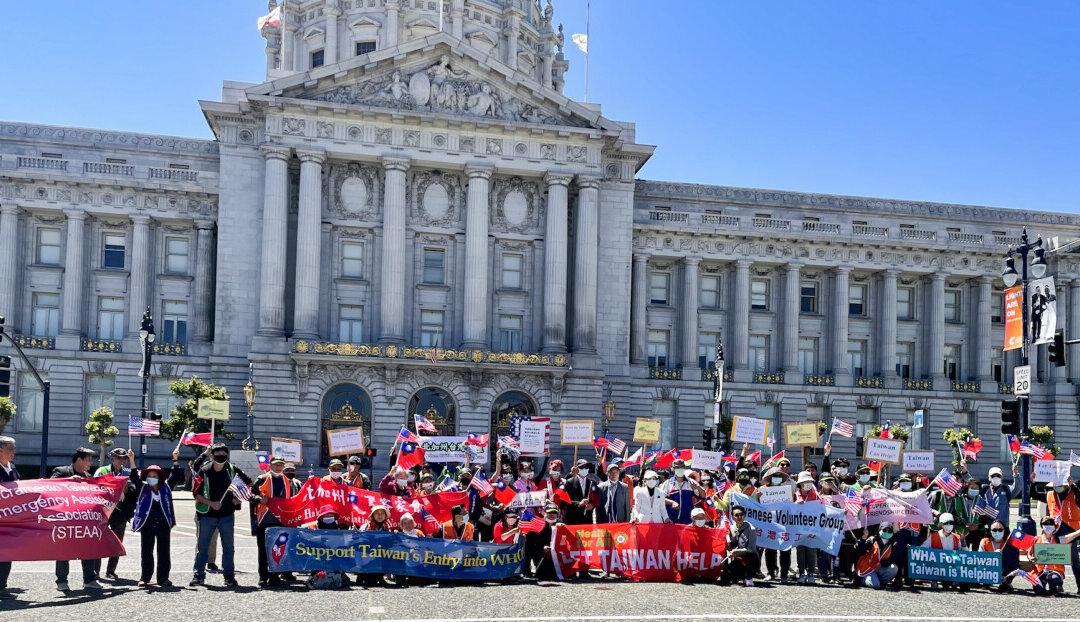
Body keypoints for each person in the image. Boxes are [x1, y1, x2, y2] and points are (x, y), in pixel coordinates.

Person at [190, 443, 255, 588]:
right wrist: (210, 503)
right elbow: (195, 493)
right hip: (207, 515)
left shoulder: (233, 470)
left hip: (227, 515)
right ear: (212, 455)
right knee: (202, 547)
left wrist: (239, 498)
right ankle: (198, 576)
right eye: (217, 454)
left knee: (228, 548)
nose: (221, 456)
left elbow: (250, 484)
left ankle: (229, 577)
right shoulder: (204, 471)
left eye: (223, 454)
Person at [129, 449, 186, 588]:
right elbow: (134, 478)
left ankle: (163, 578)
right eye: (149, 475)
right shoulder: (143, 488)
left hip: (163, 524)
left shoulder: (165, 487)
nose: (152, 477)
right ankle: (145, 578)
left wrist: (175, 460)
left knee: (164, 552)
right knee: (146, 552)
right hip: (147, 524)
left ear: (159, 477)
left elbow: (175, 475)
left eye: (154, 475)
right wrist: (132, 459)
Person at [51, 447, 100, 591]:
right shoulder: (61, 471)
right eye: (88, 460)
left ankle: (89, 580)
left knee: (88, 550)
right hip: (65, 520)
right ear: (79, 460)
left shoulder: (88, 476)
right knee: (63, 551)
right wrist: (69, 480)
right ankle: (61, 581)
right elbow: (50, 487)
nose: (90, 463)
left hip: (84, 521)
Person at [251, 456, 300, 587]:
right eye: (276, 465)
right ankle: (263, 576)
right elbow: (250, 494)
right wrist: (259, 498)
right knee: (263, 550)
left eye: (280, 465)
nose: (278, 467)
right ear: (270, 465)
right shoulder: (262, 479)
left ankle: (274, 576)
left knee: (278, 549)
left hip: (281, 521)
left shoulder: (288, 482)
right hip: (265, 519)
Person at [93, 447, 137, 581]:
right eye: (118, 457)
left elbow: (137, 486)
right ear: (112, 458)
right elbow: (95, 488)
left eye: (123, 458)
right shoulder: (102, 471)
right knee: (99, 541)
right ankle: (95, 572)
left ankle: (111, 571)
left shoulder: (128, 472)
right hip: (104, 511)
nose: (121, 460)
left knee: (117, 542)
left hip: (121, 512)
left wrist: (129, 489)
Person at [1042, 475, 1080, 593]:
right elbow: (1047, 510)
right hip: (1055, 530)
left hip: (1071, 530)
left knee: (1074, 560)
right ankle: (1056, 584)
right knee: (1054, 558)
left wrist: (1072, 485)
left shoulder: (1073, 492)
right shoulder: (1049, 494)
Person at [755, 467, 793, 582]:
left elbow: (792, 506)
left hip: (784, 523)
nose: (777, 478)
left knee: (785, 549)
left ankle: (784, 575)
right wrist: (757, 497)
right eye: (775, 476)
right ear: (770, 478)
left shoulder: (787, 490)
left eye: (779, 476)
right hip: (769, 524)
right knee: (770, 549)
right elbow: (756, 505)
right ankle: (771, 573)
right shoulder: (762, 490)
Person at [0, 436, 19, 600]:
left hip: (9, 520)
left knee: (6, 553)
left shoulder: (12, 468)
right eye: (10, 448)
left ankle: (2, 586)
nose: (14, 452)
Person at [855, 523, 900, 589]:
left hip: (879, 568)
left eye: (889, 530)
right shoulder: (872, 539)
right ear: (880, 530)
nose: (887, 532)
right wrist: (864, 538)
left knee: (894, 568)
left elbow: (892, 559)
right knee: (875, 585)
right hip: (868, 568)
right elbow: (861, 550)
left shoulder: (892, 543)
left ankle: (881, 582)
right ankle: (862, 579)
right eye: (885, 530)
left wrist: (881, 564)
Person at [523, 504, 562, 580]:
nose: (552, 514)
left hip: (554, 552)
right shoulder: (539, 523)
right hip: (539, 551)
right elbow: (532, 542)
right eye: (549, 512)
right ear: (545, 513)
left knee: (552, 574)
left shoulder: (560, 523)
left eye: (554, 512)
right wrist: (543, 546)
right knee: (543, 575)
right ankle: (527, 571)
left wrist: (562, 527)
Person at [722, 506, 758, 587]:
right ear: (733, 517)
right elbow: (730, 547)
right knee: (725, 578)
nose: (739, 517)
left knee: (751, 555)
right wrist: (728, 544)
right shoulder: (731, 528)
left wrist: (738, 551)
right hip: (737, 558)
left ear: (744, 516)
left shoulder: (751, 529)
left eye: (741, 515)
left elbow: (751, 549)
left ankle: (749, 577)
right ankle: (738, 576)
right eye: (736, 515)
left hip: (751, 558)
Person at [793, 471, 818, 584]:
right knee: (800, 551)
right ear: (800, 484)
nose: (808, 484)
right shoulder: (794, 494)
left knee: (811, 551)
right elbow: (787, 508)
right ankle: (802, 573)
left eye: (809, 482)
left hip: (812, 528)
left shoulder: (816, 494)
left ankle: (811, 573)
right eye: (805, 482)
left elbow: (823, 508)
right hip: (798, 528)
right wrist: (795, 504)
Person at [979, 520, 1019, 591]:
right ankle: (987, 581)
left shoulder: (1010, 543)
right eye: (994, 530)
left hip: (1004, 569)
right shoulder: (984, 541)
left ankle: (1006, 582)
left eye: (1000, 530)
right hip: (989, 569)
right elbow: (980, 559)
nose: (997, 532)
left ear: (1005, 530)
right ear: (990, 531)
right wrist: (993, 555)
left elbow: (1014, 561)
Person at [562, 459, 598, 525]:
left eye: (586, 467)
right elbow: (565, 501)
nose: (584, 469)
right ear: (577, 469)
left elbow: (596, 498)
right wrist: (579, 503)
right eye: (582, 467)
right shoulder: (569, 482)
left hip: (587, 519)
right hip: (573, 519)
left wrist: (592, 505)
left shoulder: (592, 482)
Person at [662, 459, 697, 525]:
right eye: (677, 467)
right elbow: (660, 498)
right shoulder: (667, 483)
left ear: (685, 468)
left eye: (682, 467)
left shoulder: (691, 482)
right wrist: (671, 502)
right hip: (671, 520)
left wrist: (697, 487)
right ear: (673, 469)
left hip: (688, 520)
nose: (680, 469)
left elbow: (701, 496)